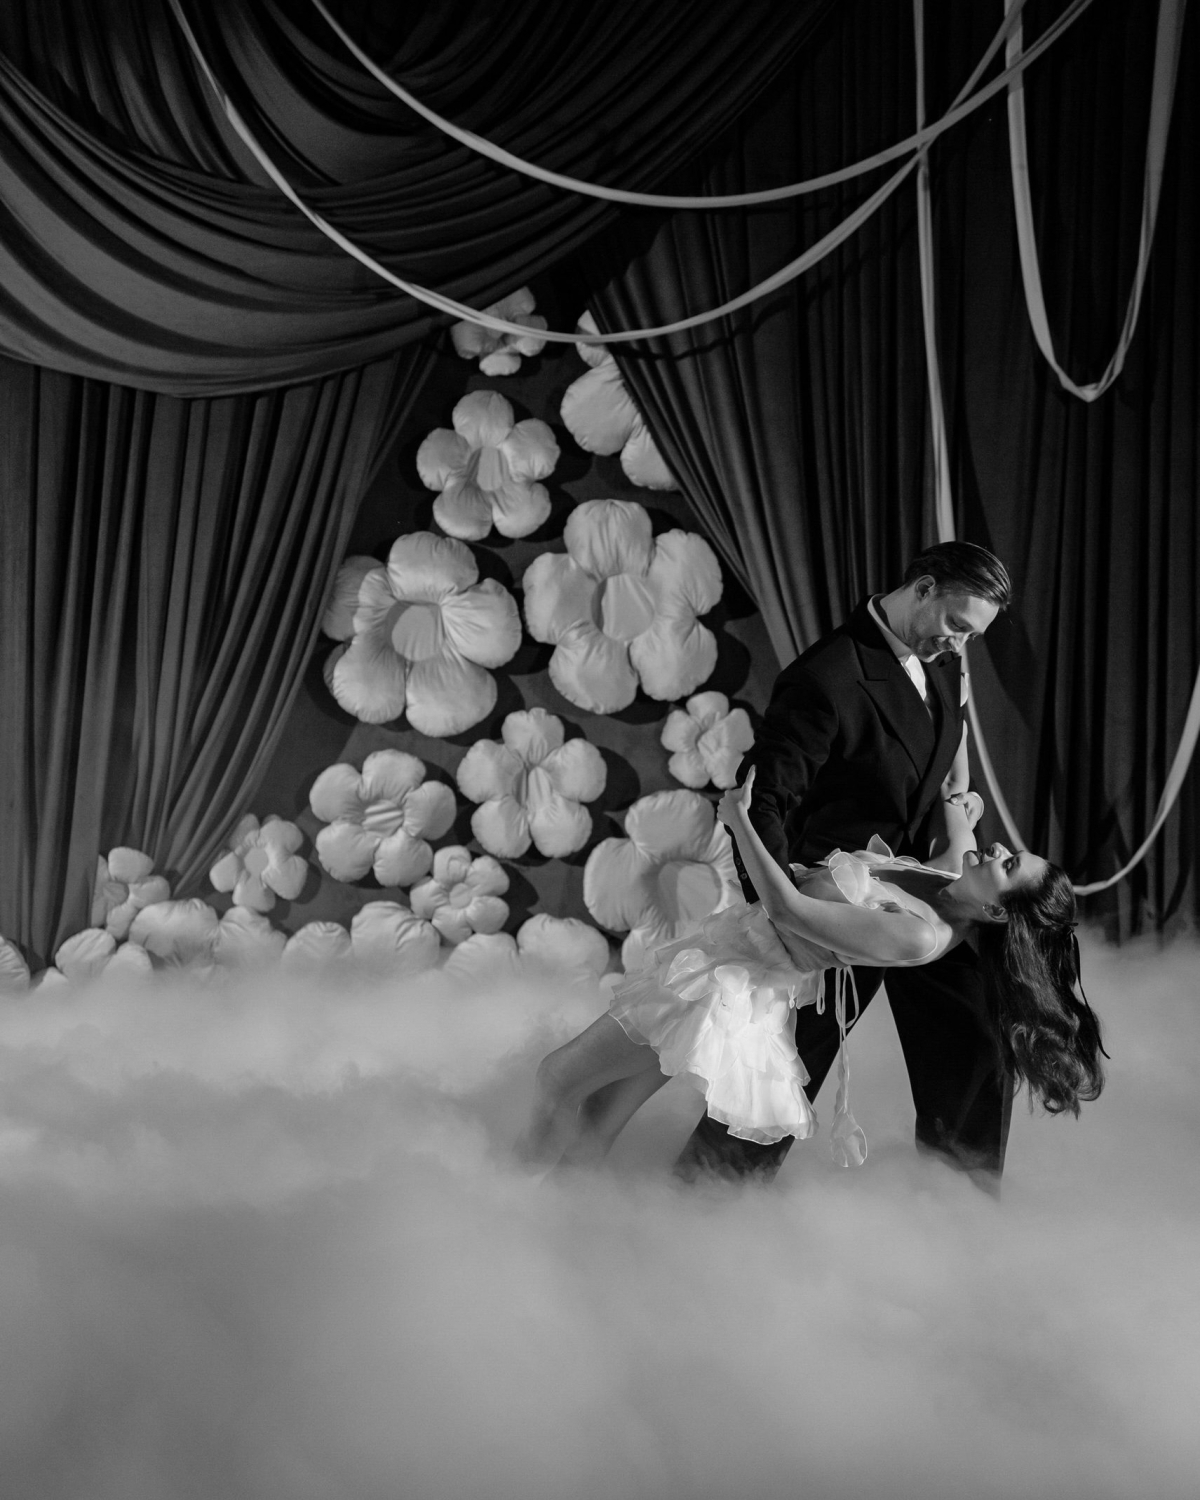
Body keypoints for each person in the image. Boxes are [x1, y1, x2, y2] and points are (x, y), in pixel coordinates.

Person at [518, 770, 1104, 1171]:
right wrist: (957, 674)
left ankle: (509, 1195)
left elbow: (787, 910)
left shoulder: (920, 934)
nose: (998, 850)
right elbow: (956, 793)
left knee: (556, 1078)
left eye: (1009, 865)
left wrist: (739, 822)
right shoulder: (952, 878)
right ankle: (563, 1219)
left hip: (726, 985)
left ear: (998, 911)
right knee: (601, 1109)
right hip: (717, 957)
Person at [673, 540, 1026, 1185]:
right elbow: (762, 801)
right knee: (781, 1070)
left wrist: (960, 800)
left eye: (971, 635)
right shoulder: (826, 677)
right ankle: (697, 1201)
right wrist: (782, 921)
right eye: (956, 624)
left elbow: (944, 757)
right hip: (840, 902)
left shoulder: (943, 658)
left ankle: (962, 1207)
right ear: (923, 587)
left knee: (978, 1038)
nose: (958, 644)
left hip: (930, 889)